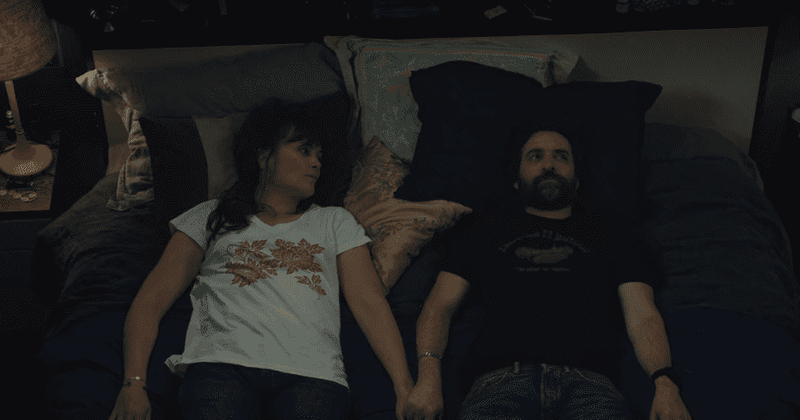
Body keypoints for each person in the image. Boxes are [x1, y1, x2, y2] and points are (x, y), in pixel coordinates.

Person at [107, 102, 415, 420]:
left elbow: (370, 304)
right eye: (304, 151)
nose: (315, 163)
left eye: (319, 156)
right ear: (264, 156)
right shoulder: (211, 216)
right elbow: (151, 300)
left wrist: (405, 389)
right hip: (222, 366)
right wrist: (133, 384)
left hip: (313, 375)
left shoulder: (334, 221)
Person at [402, 120, 693, 420]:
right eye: (535, 156)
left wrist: (665, 384)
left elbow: (642, 313)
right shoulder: (483, 231)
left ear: (576, 179)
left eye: (561, 156)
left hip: (591, 386)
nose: (549, 164)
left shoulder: (612, 234)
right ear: (516, 180)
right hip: (500, 383)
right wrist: (428, 380)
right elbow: (440, 305)